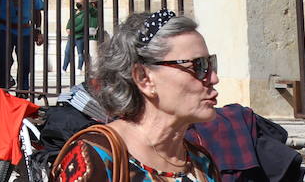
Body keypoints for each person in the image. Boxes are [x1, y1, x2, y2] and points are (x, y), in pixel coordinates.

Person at [51, 10, 221, 182]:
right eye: (198, 65)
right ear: (144, 78)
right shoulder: (96, 158)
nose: (213, 78)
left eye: (210, 64)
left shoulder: (201, 162)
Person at [63, 0, 101, 71]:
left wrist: (72, 30)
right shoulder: (74, 12)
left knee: (81, 53)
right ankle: (64, 68)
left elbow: (83, 24)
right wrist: (68, 28)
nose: (77, 4)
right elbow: (70, 21)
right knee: (67, 52)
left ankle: (80, 68)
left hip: (80, 36)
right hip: (71, 36)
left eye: (79, 2)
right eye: (76, 2)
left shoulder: (86, 13)